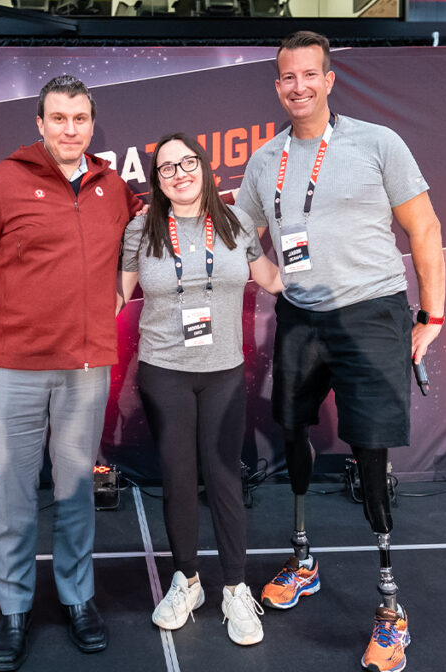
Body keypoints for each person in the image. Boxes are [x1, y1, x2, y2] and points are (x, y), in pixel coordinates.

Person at [234, 31, 445, 672]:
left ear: (329, 80)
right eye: (287, 77)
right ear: (277, 86)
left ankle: (390, 609)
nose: (298, 86)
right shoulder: (265, 160)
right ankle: (304, 561)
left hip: (373, 312)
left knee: (370, 449)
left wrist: (432, 315)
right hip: (302, 316)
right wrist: (274, 280)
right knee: (291, 431)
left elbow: (424, 227)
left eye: (309, 75)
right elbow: (241, 233)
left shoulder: (378, 143)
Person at [0, 75, 142, 672]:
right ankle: (13, 609)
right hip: (11, 371)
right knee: (14, 500)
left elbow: (154, 231)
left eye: (79, 119)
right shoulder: (2, 183)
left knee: (77, 494)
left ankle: (78, 598)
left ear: (92, 123)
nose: (69, 129)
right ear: (39, 123)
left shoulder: (112, 187)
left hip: (85, 370)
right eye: (58, 118)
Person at [118, 133, 283, 645]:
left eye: (187, 162)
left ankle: (235, 587)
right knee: (178, 476)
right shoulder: (141, 229)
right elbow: (114, 296)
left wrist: (332, 255)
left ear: (205, 167)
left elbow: (275, 281)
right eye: (167, 168)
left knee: (224, 478)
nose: (179, 173)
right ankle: (187, 580)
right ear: (157, 180)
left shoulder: (235, 224)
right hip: (163, 370)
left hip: (223, 372)